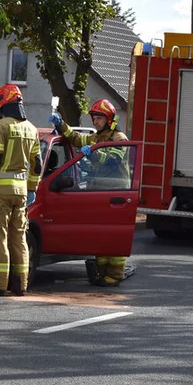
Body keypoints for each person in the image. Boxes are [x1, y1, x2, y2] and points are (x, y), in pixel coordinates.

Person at [49, 98, 131, 287]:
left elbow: (113, 161)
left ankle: (115, 274)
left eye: (99, 118)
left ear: (109, 119)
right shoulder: (95, 138)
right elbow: (76, 139)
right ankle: (102, 272)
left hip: (117, 193)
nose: (95, 122)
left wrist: (94, 153)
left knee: (115, 235)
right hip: (100, 191)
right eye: (93, 118)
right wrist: (61, 124)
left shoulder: (120, 139)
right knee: (101, 235)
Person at [0, 84, 41, 297]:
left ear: (3, 105)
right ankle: (20, 284)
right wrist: (32, 188)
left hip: (1, 192)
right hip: (21, 192)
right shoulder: (32, 129)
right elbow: (37, 164)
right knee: (19, 237)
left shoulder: (1, 126)